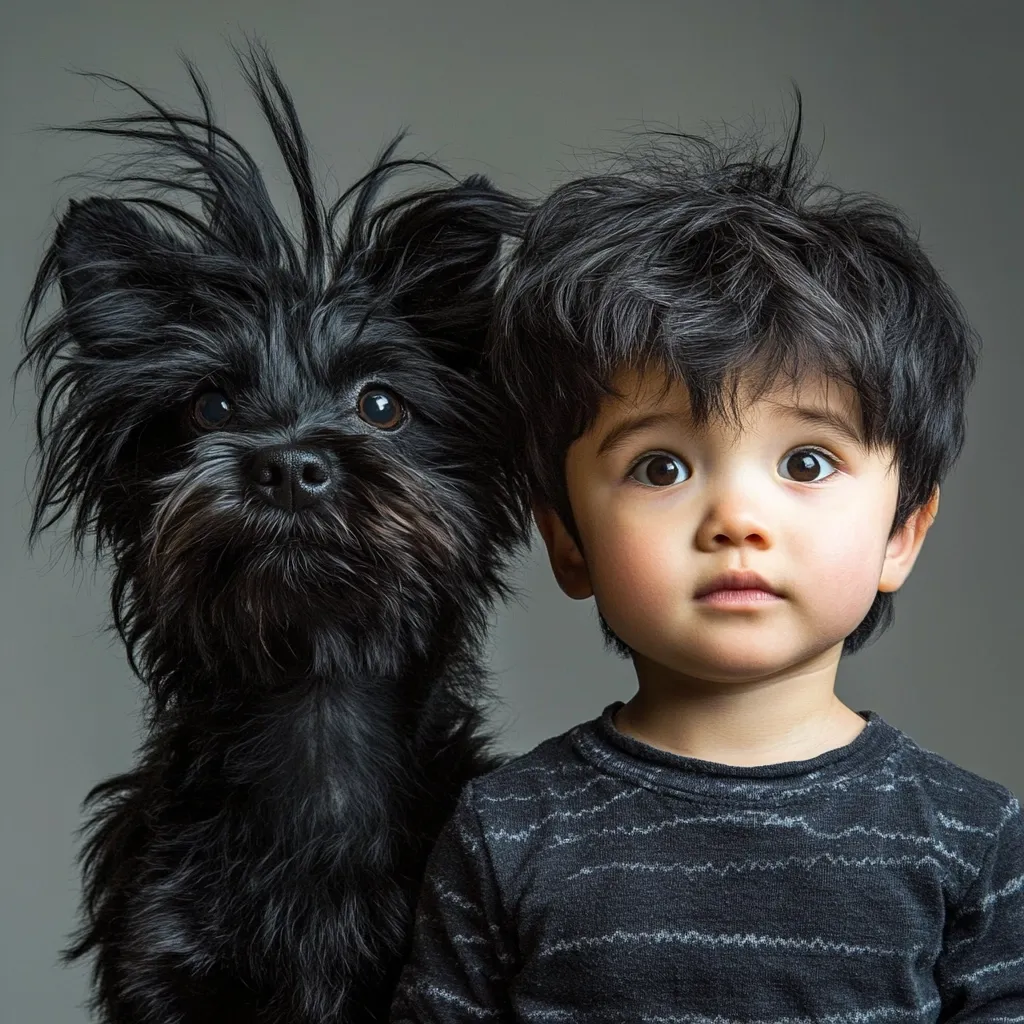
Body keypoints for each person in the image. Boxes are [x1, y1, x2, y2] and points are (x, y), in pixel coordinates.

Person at [389, 104, 1024, 1022]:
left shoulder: (971, 837)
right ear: (566, 538)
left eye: (807, 462)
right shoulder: (506, 830)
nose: (736, 517)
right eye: (662, 467)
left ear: (902, 534)